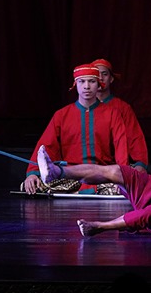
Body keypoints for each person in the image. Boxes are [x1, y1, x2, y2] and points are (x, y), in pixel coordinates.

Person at [22, 64, 129, 195]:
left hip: (103, 177)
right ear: (75, 84)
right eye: (82, 81)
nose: (87, 86)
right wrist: (33, 173)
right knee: (34, 185)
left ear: (98, 84)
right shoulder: (61, 115)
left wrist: (122, 177)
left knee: (124, 186)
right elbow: (45, 146)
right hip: (71, 177)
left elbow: (121, 146)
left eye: (92, 81)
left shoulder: (113, 114)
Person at [91, 58, 149, 172]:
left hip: (115, 166)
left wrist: (140, 163)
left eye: (104, 74)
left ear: (111, 79)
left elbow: (135, 137)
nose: (100, 78)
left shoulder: (122, 107)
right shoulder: (81, 108)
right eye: (96, 74)